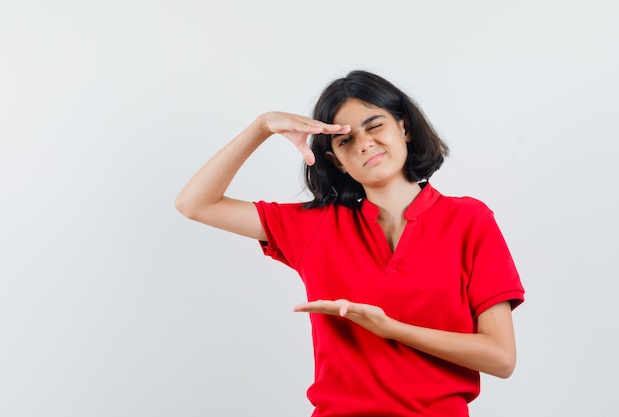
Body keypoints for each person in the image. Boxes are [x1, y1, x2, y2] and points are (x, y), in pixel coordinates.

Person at [175, 70, 525, 417]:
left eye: (375, 126)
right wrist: (262, 126)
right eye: (345, 140)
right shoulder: (317, 226)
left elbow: (501, 357)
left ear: (404, 127)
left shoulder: (469, 220)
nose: (364, 143)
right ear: (335, 162)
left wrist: (391, 329)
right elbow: (195, 203)